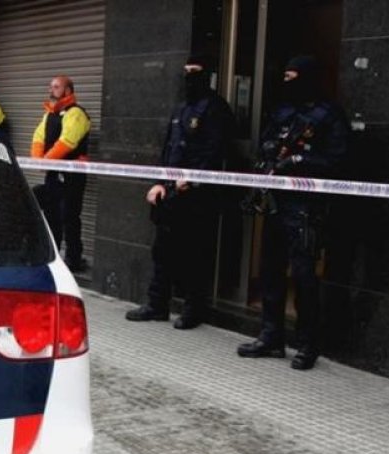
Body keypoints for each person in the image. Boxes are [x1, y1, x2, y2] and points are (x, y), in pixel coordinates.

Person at [236, 55, 348, 370]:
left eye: (293, 76)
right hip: (275, 203)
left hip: (306, 206)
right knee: (271, 270)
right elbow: (266, 147)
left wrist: (299, 164)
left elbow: (337, 161)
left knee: (303, 276)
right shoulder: (283, 112)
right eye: (284, 76)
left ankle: (307, 344)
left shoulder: (329, 115)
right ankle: (271, 337)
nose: (288, 82)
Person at [125, 55, 233, 329]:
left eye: (194, 72)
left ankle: (193, 310)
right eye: (185, 71)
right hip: (170, 193)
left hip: (197, 196)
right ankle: (157, 304)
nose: (188, 77)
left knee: (194, 253)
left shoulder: (216, 108)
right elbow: (167, 149)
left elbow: (214, 150)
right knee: (162, 250)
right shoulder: (181, 108)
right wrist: (159, 181)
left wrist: (192, 179)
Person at [31, 75, 92, 272]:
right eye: (51, 86)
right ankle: (54, 256)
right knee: (51, 216)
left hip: (72, 175)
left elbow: (68, 141)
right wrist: (37, 160)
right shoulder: (49, 114)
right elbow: (38, 137)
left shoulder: (76, 113)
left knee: (70, 216)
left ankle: (74, 259)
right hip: (53, 173)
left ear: (68, 91)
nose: (52, 90)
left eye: (56, 87)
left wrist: (45, 161)